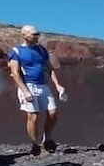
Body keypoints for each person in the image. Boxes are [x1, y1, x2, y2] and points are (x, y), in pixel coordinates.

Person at [8, 25, 66, 155]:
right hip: (28, 85)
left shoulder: (41, 50)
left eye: (37, 34)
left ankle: (48, 138)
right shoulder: (16, 52)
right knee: (33, 116)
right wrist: (24, 90)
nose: (37, 37)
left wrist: (57, 85)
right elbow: (15, 73)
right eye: (34, 34)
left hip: (42, 85)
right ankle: (34, 143)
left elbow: (50, 69)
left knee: (53, 113)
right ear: (24, 35)